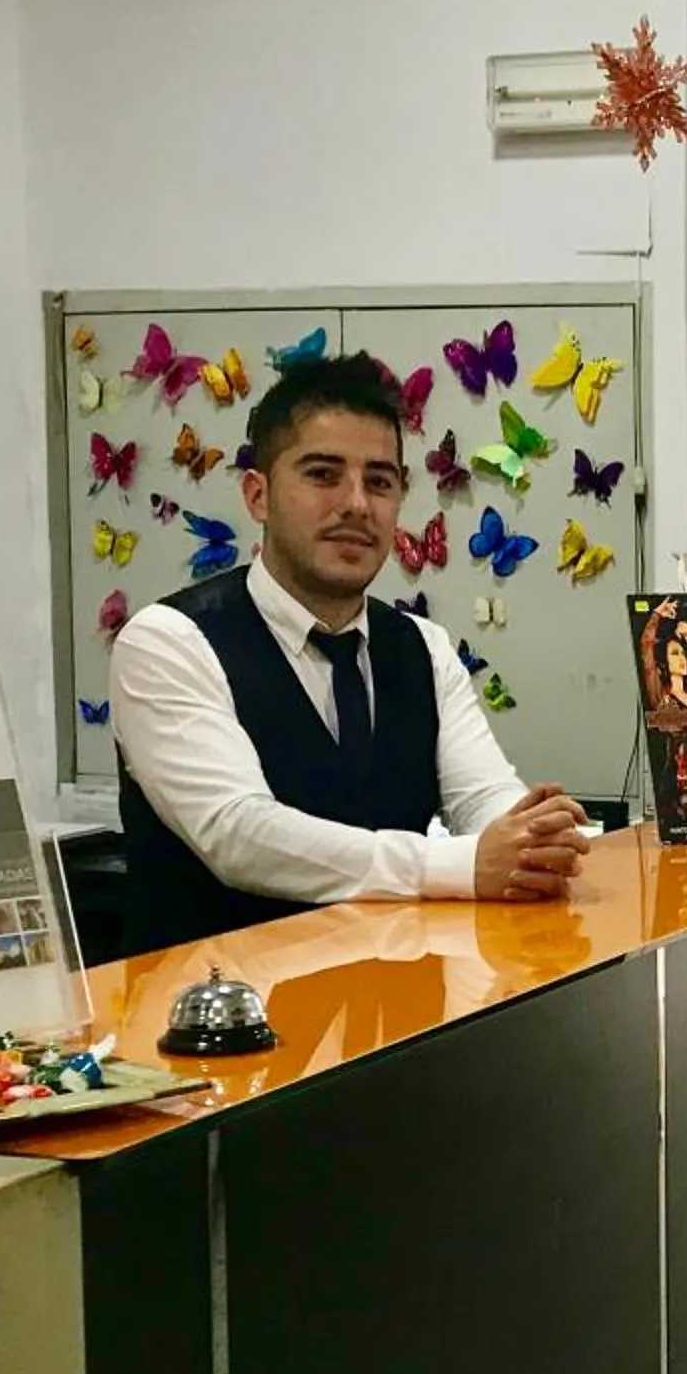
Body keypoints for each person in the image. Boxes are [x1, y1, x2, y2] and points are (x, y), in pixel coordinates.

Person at [110, 352, 591, 957]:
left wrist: (531, 835)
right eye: (323, 474)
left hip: (396, 1004)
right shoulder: (169, 641)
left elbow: (482, 797)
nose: (358, 504)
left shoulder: (423, 647)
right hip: (210, 1007)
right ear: (257, 495)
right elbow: (239, 835)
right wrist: (458, 864)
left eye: (380, 482)